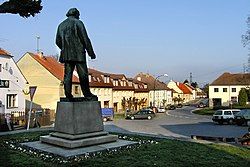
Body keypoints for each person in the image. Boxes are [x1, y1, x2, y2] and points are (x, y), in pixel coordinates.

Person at [56, 8, 97, 100]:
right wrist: (91, 53)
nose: (79, 16)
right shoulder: (78, 23)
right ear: (76, 14)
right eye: (79, 14)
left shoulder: (61, 25)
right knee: (83, 74)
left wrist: (65, 48)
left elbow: (57, 41)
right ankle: (87, 94)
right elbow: (85, 38)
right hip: (78, 53)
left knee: (67, 74)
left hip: (66, 54)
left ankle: (67, 94)